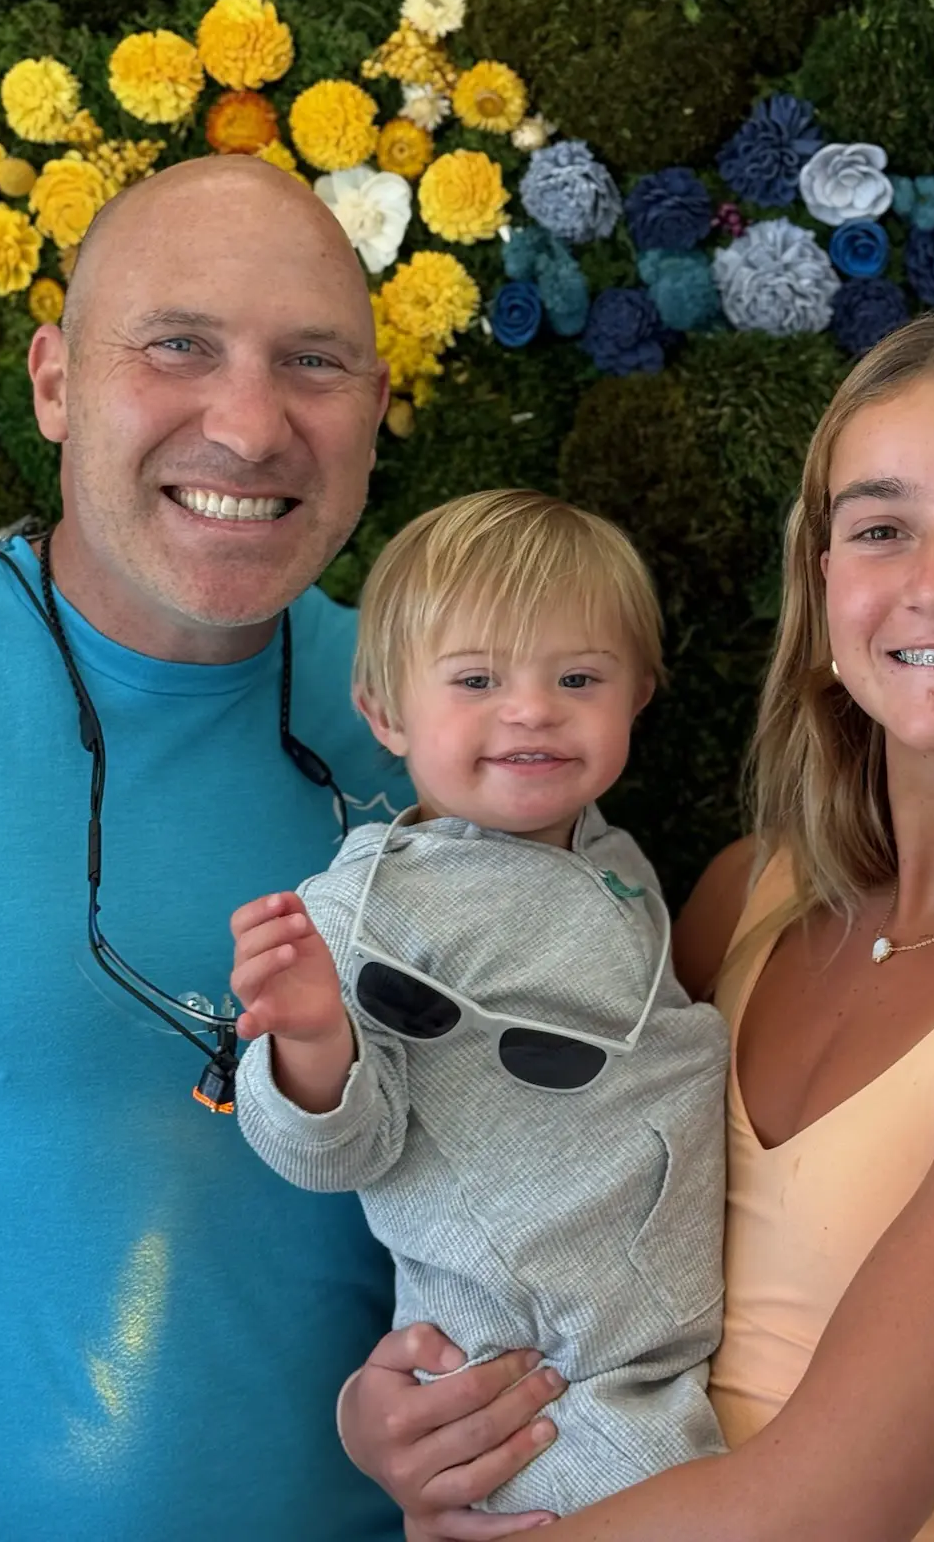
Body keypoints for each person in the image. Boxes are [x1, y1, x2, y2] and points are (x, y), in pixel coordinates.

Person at [339, 308, 934, 1542]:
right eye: (883, 527)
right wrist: (406, 1418)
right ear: (827, 586)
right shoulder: (746, 896)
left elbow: (824, 1508)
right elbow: (533, 1216)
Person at [0, 155, 417, 1541]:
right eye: (179, 347)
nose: (247, 427)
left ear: (374, 411)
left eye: (313, 363)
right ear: (54, 381)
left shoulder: (447, 740)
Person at [229, 489, 729, 1518]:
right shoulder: (367, 912)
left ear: (638, 693)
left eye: (578, 677)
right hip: (535, 1371)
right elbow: (337, 1151)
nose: (532, 707)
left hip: (650, 1337)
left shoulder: (615, 856)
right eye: (476, 679)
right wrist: (313, 1037)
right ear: (385, 711)